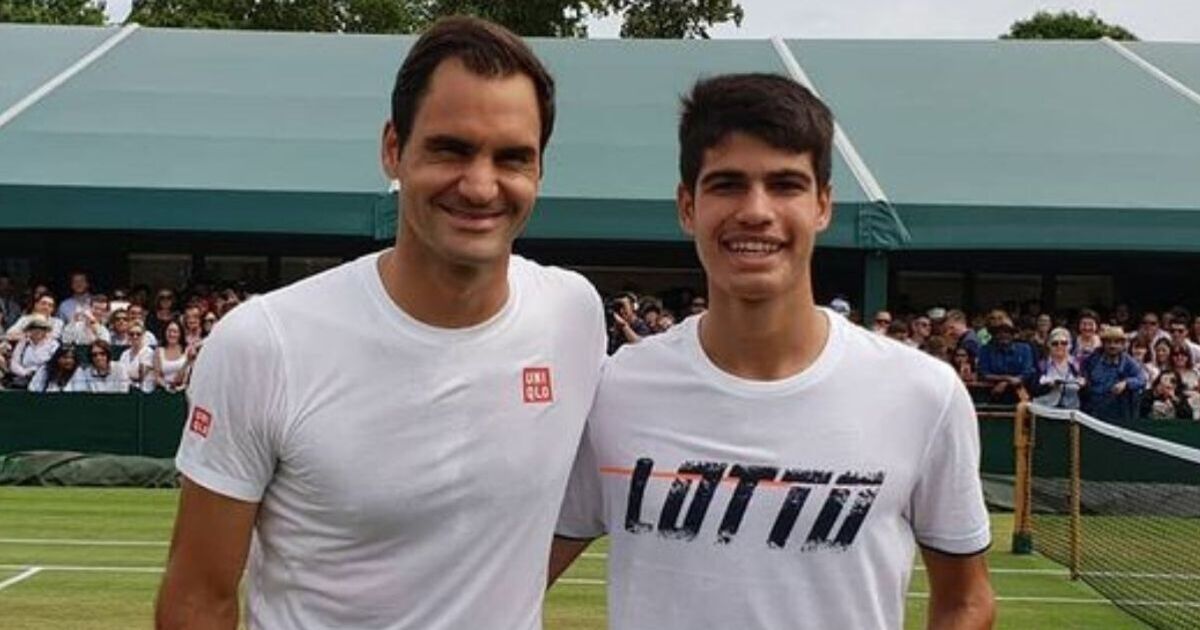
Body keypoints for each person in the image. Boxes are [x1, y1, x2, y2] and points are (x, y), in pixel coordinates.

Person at [156, 17, 606, 630]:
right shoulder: (265, 343)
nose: (480, 185)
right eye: (451, 149)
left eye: (512, 158)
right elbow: (196, 600)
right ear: (394, 148)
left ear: (540, 172)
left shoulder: (573, 314)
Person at [550, 74, 993, 630]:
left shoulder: (922, 394)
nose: (756, 211)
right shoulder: (614, 390)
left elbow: (967, 600)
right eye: (727, 184)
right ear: (687, 206)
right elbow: (504, 579)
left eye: (785, 184)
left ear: (823, 206)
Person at [1082, 326, 1146, 424]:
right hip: (1094, 412)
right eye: (1109, 342)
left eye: (1116, 342)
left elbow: (1142, 379)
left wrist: (1126, 383)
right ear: (1103, 344)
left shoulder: (1128, 362)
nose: (1112, 346)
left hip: (1118, 413)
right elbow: (1083, 373)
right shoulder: (1093, 360)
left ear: (1122, 344)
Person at [977, 316, 1035, 404]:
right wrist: (1008, 378)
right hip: (992, 393)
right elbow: (984, 373)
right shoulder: (985, 350)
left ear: (1013, 334)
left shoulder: (1025, 349)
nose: (1003, 335)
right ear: (994, 335)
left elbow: (1027, 372)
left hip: (1020, 393)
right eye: (999, 332)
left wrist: (1006, 383)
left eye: (1007, 332)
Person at [1031, 327, 1084, 409]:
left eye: (1064, 343)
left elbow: (1086, 390)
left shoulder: (1077, 364)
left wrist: (1083, 384)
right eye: (1055, 343)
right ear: (1049, 345)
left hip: (1071, 410)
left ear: (1070, 345)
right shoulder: (1042, 365)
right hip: (1045, 408)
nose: (1059, 346)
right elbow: (1034, 390)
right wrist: (1048, 386)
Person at [8, 315, 62, 389]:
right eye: (34, 327)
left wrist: (41, 373)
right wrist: (25, 373)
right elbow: (14, 363)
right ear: (29, 330)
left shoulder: (53, 344)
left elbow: (56, 363)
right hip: (25, 378)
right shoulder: (23, 343)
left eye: (41, 328)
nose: (38, 330)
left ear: (45, 330)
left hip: (46, 378)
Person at [152, 321, 191, 393]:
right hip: (164, 391)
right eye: (169, 331)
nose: (172, 334)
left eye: (175, 331)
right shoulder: (158, 351)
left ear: (180, 334)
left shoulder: (187, 350)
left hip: (183, 391)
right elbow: (157, 376)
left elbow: (187, 376)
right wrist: (167, 386)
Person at [118, 323, 156, 394]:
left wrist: (126, 375)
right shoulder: (124, 354)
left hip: (144, 392)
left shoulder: (148, 352)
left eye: (138, 334)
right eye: (131, 334)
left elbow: (139, 376)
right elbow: (120, 373)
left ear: (143, 335)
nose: (135, 336)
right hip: (126, 390)